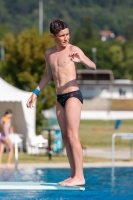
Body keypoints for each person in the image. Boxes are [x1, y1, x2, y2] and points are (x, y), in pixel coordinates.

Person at [26, 19, 96, 186]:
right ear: (53, 36)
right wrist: (35, 92)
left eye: (67, 34)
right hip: (60, 98)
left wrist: (82, 59)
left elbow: (92, 66)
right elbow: (47, 76)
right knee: (65, 137)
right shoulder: (49, 54)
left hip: (73, 95)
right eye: (62, 35)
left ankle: (80, 176)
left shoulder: (74, 50)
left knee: (73, 136)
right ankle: (73, 175)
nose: (66, 38)